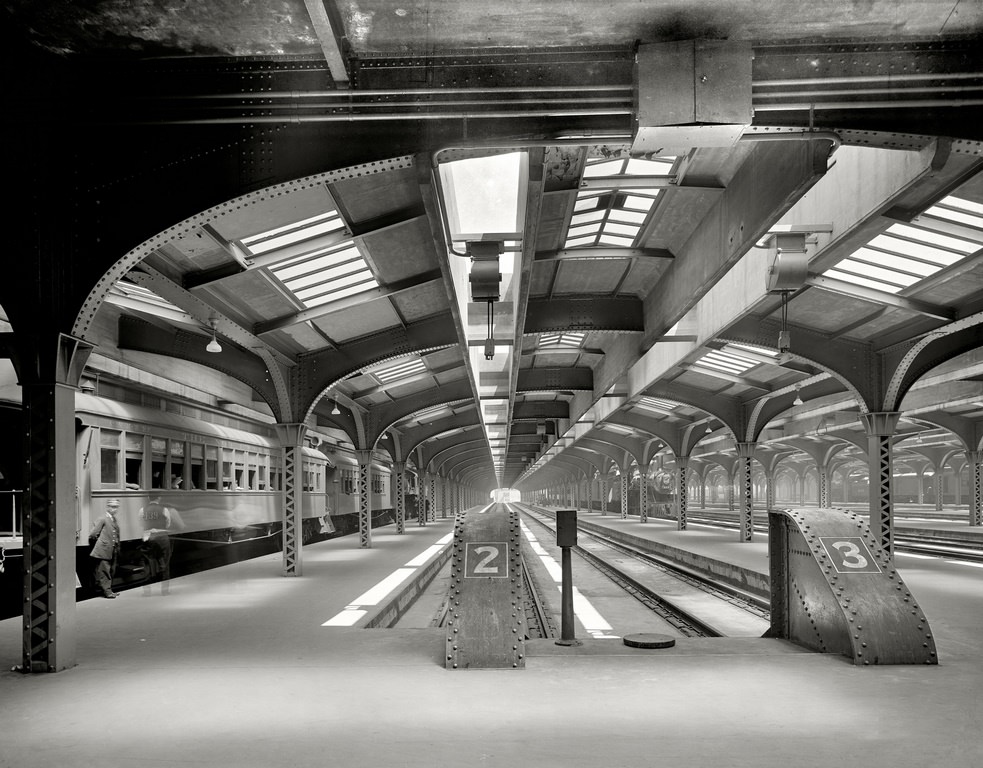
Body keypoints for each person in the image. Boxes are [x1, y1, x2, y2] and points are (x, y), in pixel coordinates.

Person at [139, 495, 174, 595]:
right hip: (162, 536)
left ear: (149, 498)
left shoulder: (142, 510)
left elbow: (141, 523)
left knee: (147, 563)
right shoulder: (164, 509)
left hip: (148, 537)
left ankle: (146, 592)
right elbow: (168, 523)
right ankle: (165, 591)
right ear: (159, 498)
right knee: (164, 564)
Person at [89, 498, 121, 598]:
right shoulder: (102, 518)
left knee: (111, 570)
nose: (114, 509)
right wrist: (102, 543)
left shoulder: (113, 519)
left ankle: (109, 590)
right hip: (104, 549)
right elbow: (93, 534)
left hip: (112, 549)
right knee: (104, 571)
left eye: (116, 507)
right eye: (112, 507)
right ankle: (107, 592)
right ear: (108, 507)